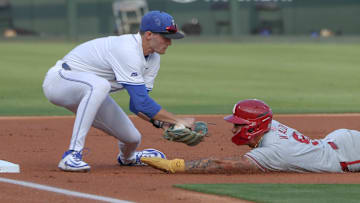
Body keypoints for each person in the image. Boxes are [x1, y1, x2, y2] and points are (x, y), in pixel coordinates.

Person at [42, 11, 194, 172]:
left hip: (91, 92)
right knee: (100, 86)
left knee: (132, 138)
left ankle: (128, 158)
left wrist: (163, 123)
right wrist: (178, 120)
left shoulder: (153, 58)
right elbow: (142, 102)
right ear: (149, 34)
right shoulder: (127, 49)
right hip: (60, 81)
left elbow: (138, 105)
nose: (169, 43)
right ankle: (72, 154)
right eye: (166, 37)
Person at [141, 99, 360, 173]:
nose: (233, 129)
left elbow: (223, 164)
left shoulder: (275, 152)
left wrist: (176, 165)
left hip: (347, 156)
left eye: (238, 125)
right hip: (337, 143)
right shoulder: (269, 124)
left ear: (254, 128)